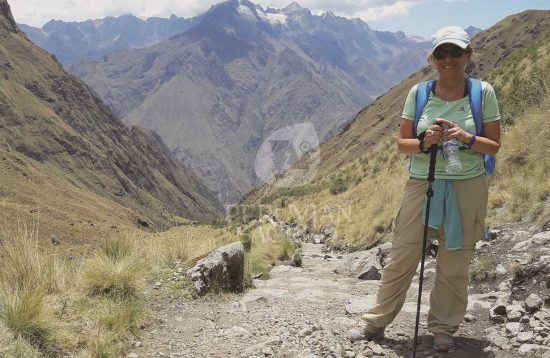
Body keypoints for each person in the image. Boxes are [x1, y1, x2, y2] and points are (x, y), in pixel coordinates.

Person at [359, 26, 502, 352]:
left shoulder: (483, 93)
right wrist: (426, 141)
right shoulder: (419, 94)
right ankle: (375, 323)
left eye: (455, 52)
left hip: (468, 185)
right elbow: (402, 144)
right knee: (402, 255)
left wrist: (463, 137)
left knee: (455, 261)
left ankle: (443, 328)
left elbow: (493, 146)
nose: (448, 59)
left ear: (468, 55)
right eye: (441, 53)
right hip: (423, 183)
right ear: (433, 58)